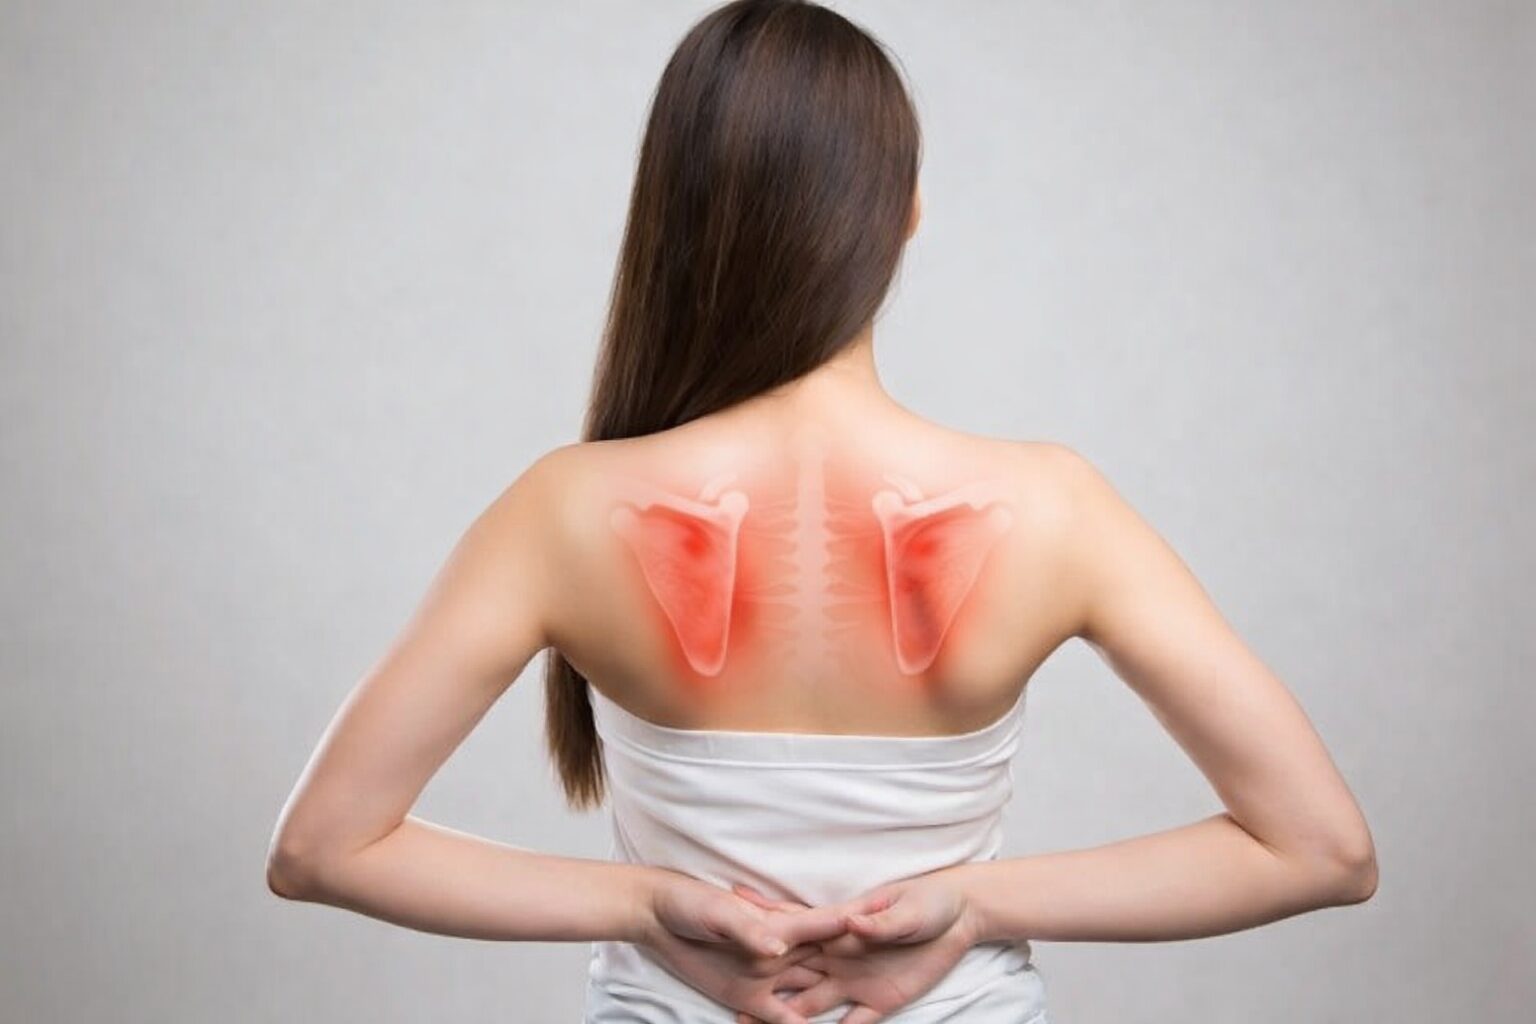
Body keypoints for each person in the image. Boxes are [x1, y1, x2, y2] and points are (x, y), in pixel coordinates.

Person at [265, 2, 1378, 1021]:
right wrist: (973, 905)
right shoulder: (1054, 506)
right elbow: (1322, 849)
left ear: (673, 215)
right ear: (906, 213)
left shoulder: (563, 511)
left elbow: (321, 848)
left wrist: (646, 906)